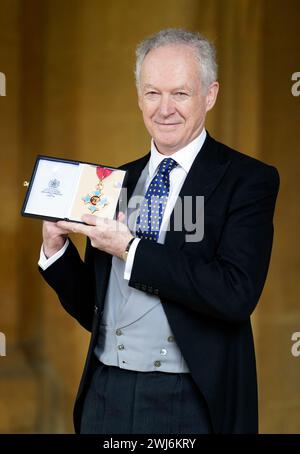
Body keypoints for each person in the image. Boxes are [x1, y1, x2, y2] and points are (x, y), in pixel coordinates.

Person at [39, 28, 279, 434]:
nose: (164, 108)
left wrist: (131, 248)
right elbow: (97, 311)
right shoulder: (115, 182)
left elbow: (235, 294)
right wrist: (56, 252)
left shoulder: (248, 180)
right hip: (105, 395)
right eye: (152, 93)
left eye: (180, 93)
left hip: (188, 399)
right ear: (138, 97)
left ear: (210, 95)